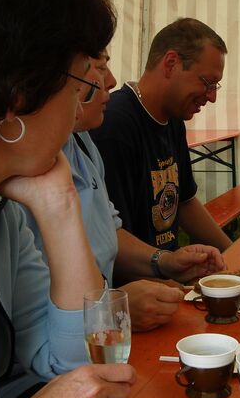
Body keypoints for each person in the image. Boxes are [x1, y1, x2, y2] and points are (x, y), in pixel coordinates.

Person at [0, 0, 134, 398]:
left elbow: (73, 367)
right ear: (20, 93)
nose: (80, 108)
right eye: (78, 85)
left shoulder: (2, 214)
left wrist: (60, 205)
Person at [24, 51, 225, 332]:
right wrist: (111, 309)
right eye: (97, 68)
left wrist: (164, 262)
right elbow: (30, 318)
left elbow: (109, 232)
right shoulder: (108, 128)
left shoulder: (81, 140)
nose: (111, 80)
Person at [91, 18, 232, 257]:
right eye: (208, 83)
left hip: (166, 268)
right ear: (171, 64)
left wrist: (233, 254)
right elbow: (111, 240)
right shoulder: (115, 125)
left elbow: (185, 202)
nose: (212, 97)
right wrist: (166, 268)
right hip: (138, 276)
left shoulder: (173, 119)